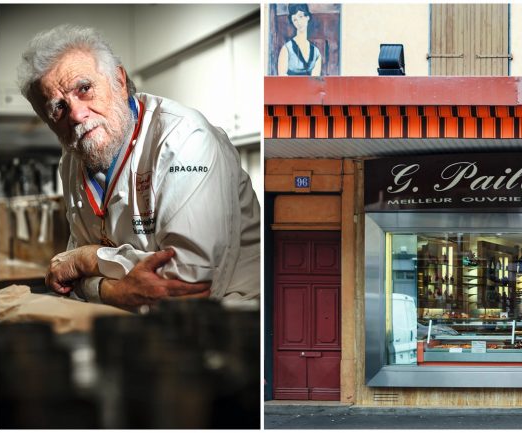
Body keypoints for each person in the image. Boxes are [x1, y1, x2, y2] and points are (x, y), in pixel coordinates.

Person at [18, 24, 260, 311]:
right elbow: (70, 282)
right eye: (57, 107)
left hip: (230, 327)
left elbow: (187, 286)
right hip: (135, 327)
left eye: (84, 89)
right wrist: (108, 289)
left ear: (119, 80)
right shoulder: (71, 161)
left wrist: (88, 259)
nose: (77, 114)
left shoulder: (185, 141)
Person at [277, 4, 322, 76]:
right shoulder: (286, 49)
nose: (298, 22)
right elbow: (282, 78)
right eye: (295, 20)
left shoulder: (316, 53)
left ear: (307, 17)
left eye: (300, 17)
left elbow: (315, 80)